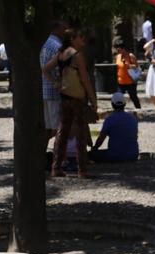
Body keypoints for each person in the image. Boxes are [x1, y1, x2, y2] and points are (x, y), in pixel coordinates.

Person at [43, 29, 98, 178]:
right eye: (81, 37)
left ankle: (56, 167)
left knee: (62, 132)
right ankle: (82, 169)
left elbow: (45, 69)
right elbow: (85, 79)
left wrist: (56, 83)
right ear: (73, 39)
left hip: (64, 97)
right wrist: (93, 100)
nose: (83, 39)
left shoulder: (61, 54)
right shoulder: (77, 55)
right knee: (80, 132)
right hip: (77, 97)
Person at [40, 20, 69, 149]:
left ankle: (41, 154)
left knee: (49, 127)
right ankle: (57, 157)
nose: (66, 31)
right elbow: (57, 70)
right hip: (54, 92)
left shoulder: (44, 42)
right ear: (58, 28)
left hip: (45, 90)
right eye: (65, 28)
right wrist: (58, 83)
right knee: (57, 128)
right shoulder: (57, 46)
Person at [89, 92, 139, 163]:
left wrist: (94, 148)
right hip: (133, 154)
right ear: (124, 104)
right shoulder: (133, 118)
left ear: (112, 105)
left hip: (115, 156)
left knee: (90, 155)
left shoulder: (109, 120)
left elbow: (101, 139)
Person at [114, 40, 141, 109]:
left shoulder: (130, 55)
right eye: (116, 47)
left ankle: (138, 109)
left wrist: (129, 65)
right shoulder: (117, 57)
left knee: (133, 97)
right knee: (118, 97)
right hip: (120, 82)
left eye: (119, 48)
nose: (117, 50)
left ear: (123, 48)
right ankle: (119, 111)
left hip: (130, 82)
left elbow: (137, 66)